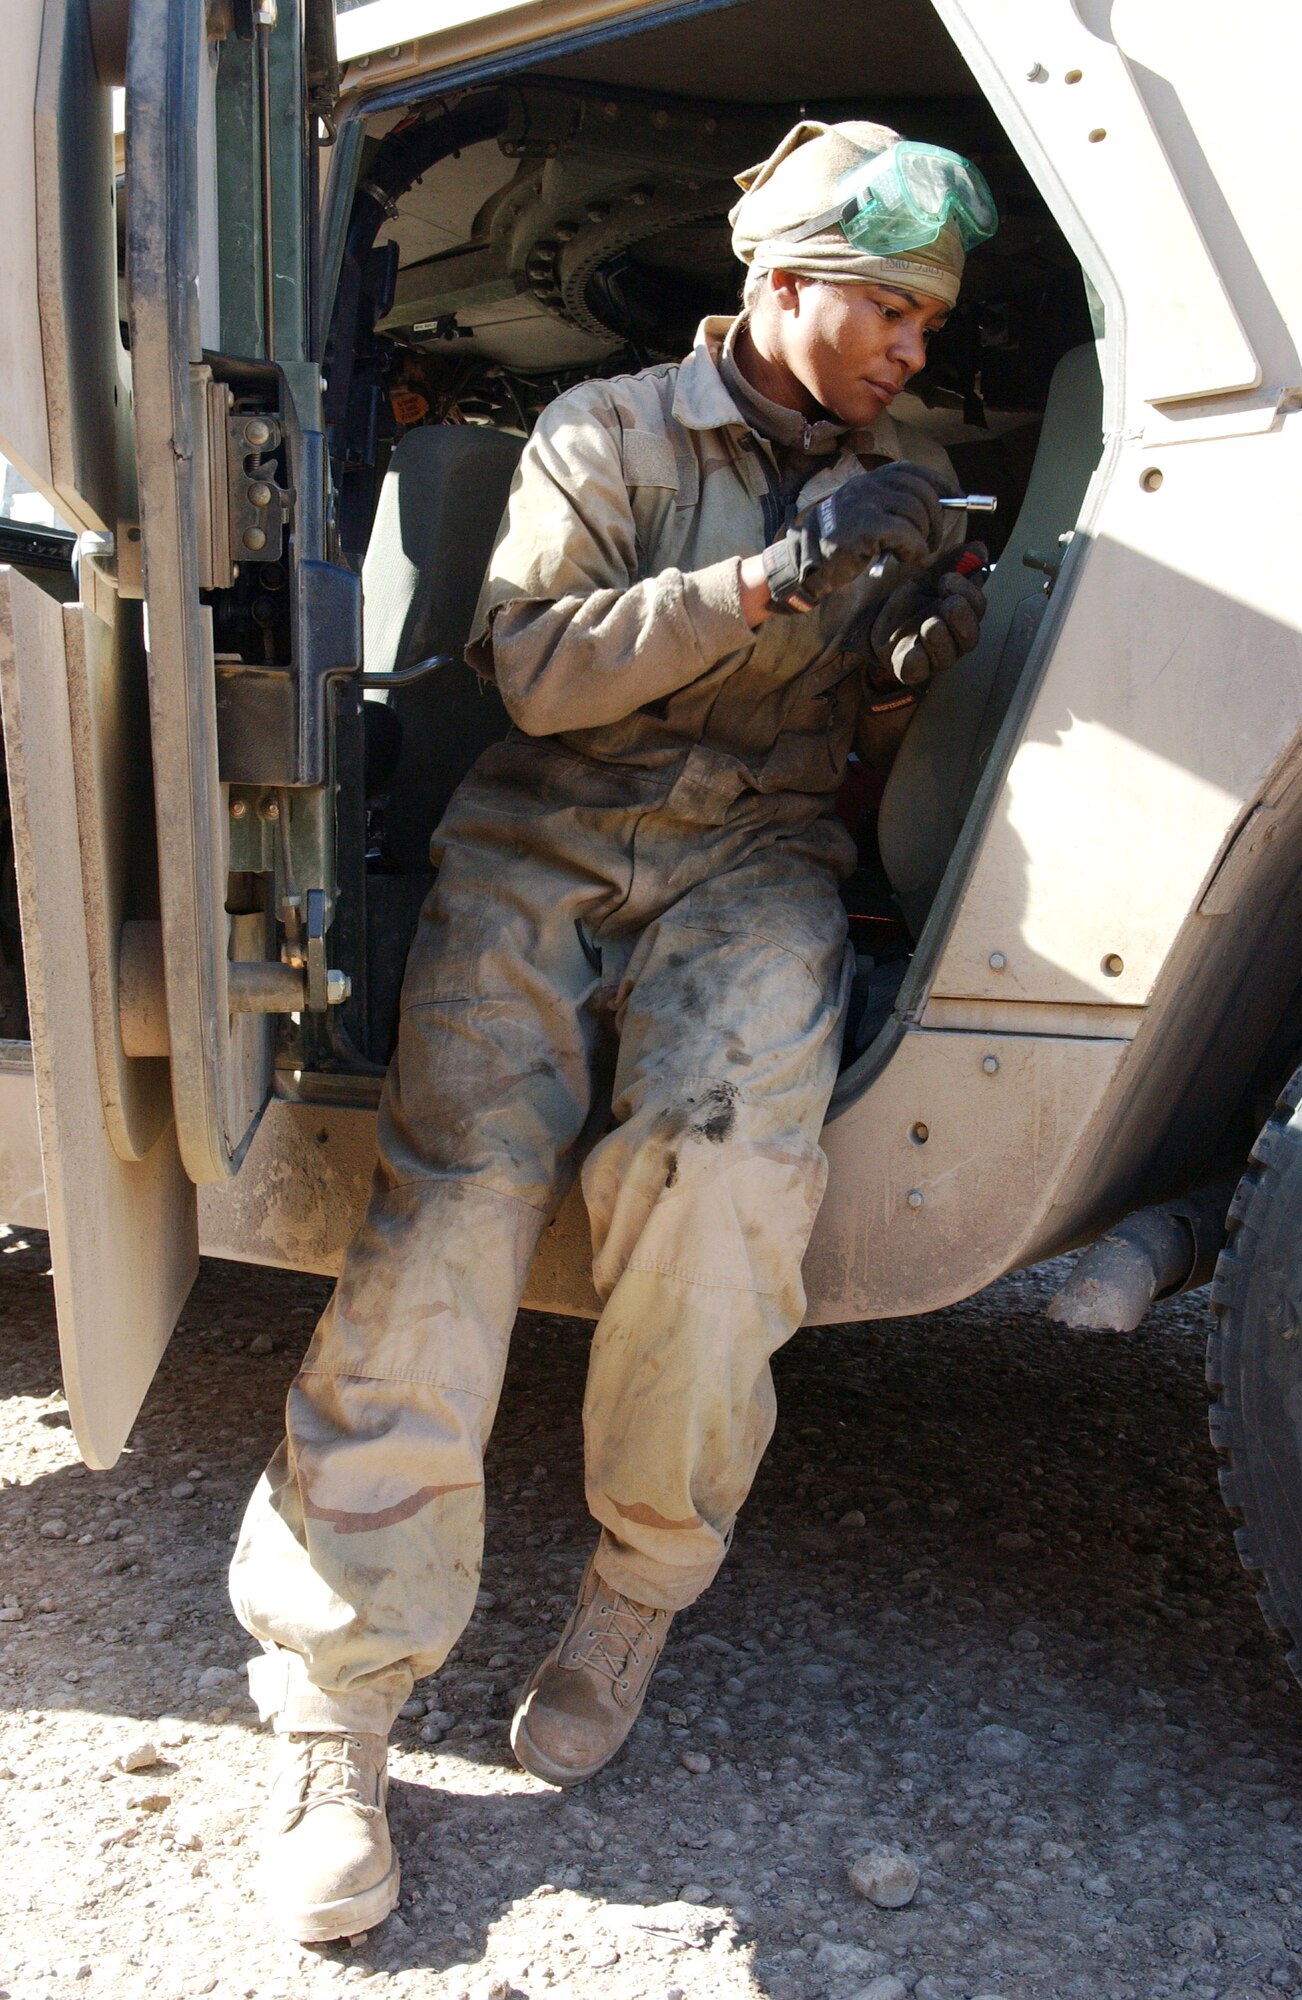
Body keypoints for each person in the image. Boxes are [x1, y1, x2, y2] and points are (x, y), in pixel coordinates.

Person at [229, 118, 997, 1943]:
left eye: (928, 318)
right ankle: (338, 1705)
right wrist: (769, 582)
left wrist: (912, 647)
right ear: (783, 282)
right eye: (884, 306)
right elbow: (541, 674)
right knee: (458, 1206)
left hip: (758, 861)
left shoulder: (921, 467)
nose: (909, 347)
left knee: (721, 1181)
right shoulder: (614, 434)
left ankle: (638, 1588)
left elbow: (891, 738)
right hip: (542, 842)